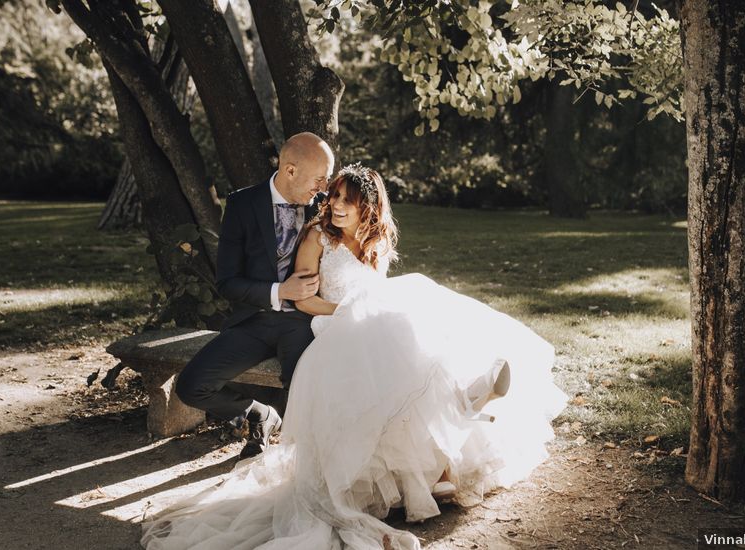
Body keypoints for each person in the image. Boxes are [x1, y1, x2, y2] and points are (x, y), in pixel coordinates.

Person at [143, 164, 568, 549]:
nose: (336, 204)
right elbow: (306, 302)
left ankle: (446, 449)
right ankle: (463, 408)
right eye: (334, 196)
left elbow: (376, 293)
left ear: (368, 207)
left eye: (348, 199)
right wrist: (349, 312)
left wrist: (369, 311)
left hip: (373, 326)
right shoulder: (317, 237)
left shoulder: (376, 240)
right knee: (395, 349)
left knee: (415, 331)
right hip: (333, 326)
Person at [174, 132, 335, 460]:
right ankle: (259, 414)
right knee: (191, 386)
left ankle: (305, 467)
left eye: (327, 179)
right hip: (255, 320)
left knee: (302, 386)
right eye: (319, 179)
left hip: (305, 322)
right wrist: (279, 291)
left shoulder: (326, 207)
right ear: (290, 171)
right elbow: (228, 282)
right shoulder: (243, 205)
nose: (324, 188)